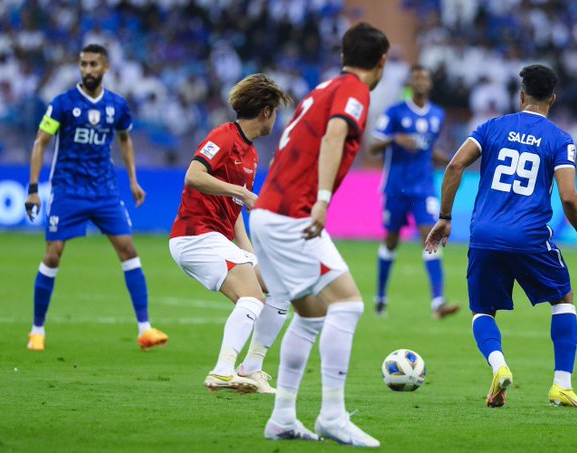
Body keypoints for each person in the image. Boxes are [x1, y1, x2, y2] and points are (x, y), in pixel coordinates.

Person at [425, 64, 577, 409]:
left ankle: (499, 366)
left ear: (521, 96)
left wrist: (445, 217)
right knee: (563, 298)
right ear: (553, 98)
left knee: (482, 310)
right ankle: (561, 385)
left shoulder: (491, 127)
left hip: (484, 234)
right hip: (530, 236)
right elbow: (568, 197)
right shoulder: (560, 140)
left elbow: (455, 165)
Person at [250, 22, 389, 446]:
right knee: (348, 304)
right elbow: (335, 135)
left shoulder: (322, 88)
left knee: (311, 316)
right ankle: (332, 415)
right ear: (381, 62)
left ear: (344, 55)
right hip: (292, 216)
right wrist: (323, 199)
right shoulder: (354, 91)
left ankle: (282, 418)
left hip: (269, 212)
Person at [24, 44, 168, 351]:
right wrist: (33, 189)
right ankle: (37, 330)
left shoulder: (117, 105)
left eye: (93, 64)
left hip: (104, 191)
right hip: (68, 189)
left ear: (105, 68)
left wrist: (133, 180)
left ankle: (145, 329)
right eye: (83, 64)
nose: (87, 69)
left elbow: (125, 140)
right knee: (53, 254)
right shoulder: (62, 104)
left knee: (128, 249)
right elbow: (40, 143)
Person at [169, 73, 293, 394]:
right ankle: (222, 371)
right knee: (252, 297)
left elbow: (234, 208)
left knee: (280, 287)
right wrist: (241, 191)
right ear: (266, 112)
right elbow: (193, 175)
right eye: (275, 113)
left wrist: (249, 252)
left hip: (218, 239)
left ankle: (251, 368)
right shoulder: (223, 136)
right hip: (195, 236)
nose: (275, 120)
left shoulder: (251, 153)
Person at [370, 64, 459, 319]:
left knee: (430, 237)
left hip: (423, 188)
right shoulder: (395, 112)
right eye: (416, 78)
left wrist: (452, 161)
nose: (421, 81)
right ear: (410, 83)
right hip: (396, 187)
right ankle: (380, 297)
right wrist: (394, 139)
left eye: (424, 78)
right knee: (391, 241)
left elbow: (427, 150)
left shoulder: (437, 114)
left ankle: (438, 302)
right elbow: (373, 147)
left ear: (430, 84)